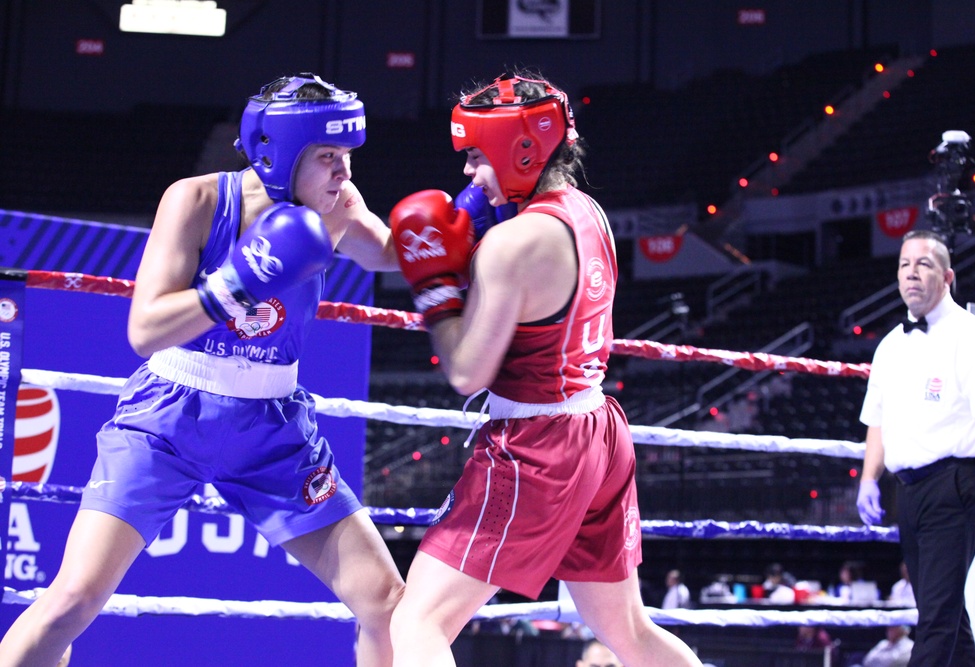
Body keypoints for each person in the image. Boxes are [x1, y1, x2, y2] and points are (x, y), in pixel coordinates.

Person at [0, 73, 405, 667]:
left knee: (386, 602)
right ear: (280, 153)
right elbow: (144, 330)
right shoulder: (196, 201)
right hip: (169, 416)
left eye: (346, 156)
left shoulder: (339, 206)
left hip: (274, 431)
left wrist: (464, 225)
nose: (344, 172)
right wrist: (236, 285)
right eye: (327, 156)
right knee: (73, 599)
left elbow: (392, 253)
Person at [385, 69, 702, 667]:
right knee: (628, 632)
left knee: (418, 622)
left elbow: (466, 371)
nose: (467, 172)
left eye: (477, 156)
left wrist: (434, 288)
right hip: (598, 430)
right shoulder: (588, 214)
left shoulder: (514, 243)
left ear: (518, 151)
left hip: (534, 445)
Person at [856, 229, 975, 666]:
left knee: (935, 621)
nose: (912, 273)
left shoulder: (974, 336)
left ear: (947, 276)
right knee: (945, 618)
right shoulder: (889, 346)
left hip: (956, 486)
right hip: (909, 492)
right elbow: (877, 419)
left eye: (924, 264)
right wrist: (867, 480)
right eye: (904, 264)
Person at [848, 625, 914, 667]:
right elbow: (867, 660)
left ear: (902, 630)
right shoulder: (883, 643)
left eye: (893, 627)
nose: (889, 630)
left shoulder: (909, 646)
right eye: (889, 627)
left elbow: (892, 662)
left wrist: (878, 660)